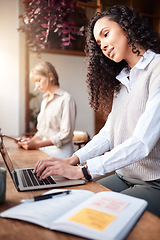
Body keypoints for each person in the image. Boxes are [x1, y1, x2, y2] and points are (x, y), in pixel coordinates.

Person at [33, 6, 160, 216]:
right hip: (123, 176)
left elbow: (142, 142)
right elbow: (108, 134)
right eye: (99, 43)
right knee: (71, 202)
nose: (104, 46)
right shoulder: (124, 80)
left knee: (92, 213)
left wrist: (84, 170)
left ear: (126, 27)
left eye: (106, 34)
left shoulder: (157, 70)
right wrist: (72, 160)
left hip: (154, 183)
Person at [17, 61, 76, 158]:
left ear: (51, 76)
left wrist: (36, 144)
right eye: (35, 82)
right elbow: (42, 132)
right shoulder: (45, 100)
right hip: (44, 149)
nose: (37, 86)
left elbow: (66, 134)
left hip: (60, 151)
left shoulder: (66, 99)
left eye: (38, 80)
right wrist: (31, 141)